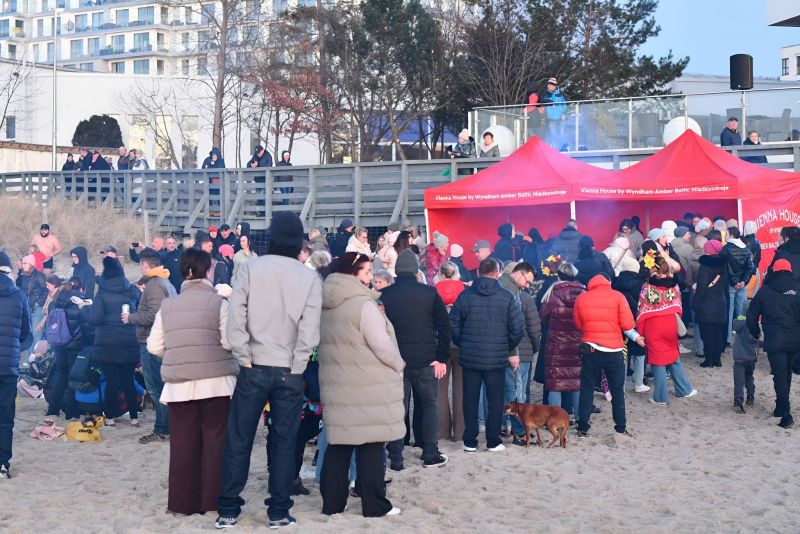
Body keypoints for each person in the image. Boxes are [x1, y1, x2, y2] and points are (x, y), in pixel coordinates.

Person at [216, 212, 322, 530]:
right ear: (299, 241)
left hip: (254, 365)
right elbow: (309, 330)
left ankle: (228, 509)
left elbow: (236, 316)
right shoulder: (309, 278)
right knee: (284, 442)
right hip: (289, 369)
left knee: (239, 439)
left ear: (271, 237)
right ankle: (278, 511)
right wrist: (298, 365)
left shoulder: (250, 269)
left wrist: (243, 355)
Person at [146, 248, 239, 515]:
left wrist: (178, 353)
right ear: (208, 270)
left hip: (179, 386)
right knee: (215, 444)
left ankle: (182, 504)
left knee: (183, 446)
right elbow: (230, 341)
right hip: (216, 383)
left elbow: (154, 346)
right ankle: (211, 502)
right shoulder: (219, 303)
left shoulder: (168, 306)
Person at [316, 252, 404, 517]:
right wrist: (399, 364)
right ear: (352, 274)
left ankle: (333, 504)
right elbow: (381, 345)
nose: (370, 277)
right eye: (366, 272)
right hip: (367, 384)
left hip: (337, 383)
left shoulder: (325, 303)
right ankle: (374, 505)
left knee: (339, 445)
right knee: (372, 446)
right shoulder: (363, 305)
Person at [382, 249, 450, 469]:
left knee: (397, 409)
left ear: (397, 271)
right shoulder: (429, 293)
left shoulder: (385, 295)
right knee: (430, 406)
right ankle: (430, 453)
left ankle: (396, 457)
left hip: (395, 362)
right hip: (425, 360)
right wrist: (441, 358)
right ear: (415, 270)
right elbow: (444, 326)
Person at [450, 258, 524, 453]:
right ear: (498, 273)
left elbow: (453, 325)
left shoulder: (465, 296)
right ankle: (493, 440)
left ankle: (470, 440)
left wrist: (464, 343)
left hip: (471, 357)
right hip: (495, 358)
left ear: (478, 273)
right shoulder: (507, 297)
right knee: (495, 400)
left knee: (470, 399)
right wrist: (506, 347)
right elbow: (518, 328)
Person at [573, 273, 642, 437]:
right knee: (617, 391)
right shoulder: (618, 297)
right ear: (608, 282)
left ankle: (582, 427)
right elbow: (627, 324)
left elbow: (578, 324)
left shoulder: (582, 298)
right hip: (613, 350)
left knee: (587, 389)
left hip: (590, 349)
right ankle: (620, 427)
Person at [123, 248, 176, 444]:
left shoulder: (154, 285)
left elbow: (154, 316)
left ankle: (162, 430)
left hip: (152, 341)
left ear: (145, 265)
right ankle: (168, 427)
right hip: (163, 339)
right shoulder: (166, 281)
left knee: (155, 388)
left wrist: (131, 318)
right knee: (162, 387)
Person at [83, 257, 140, 427]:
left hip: (107, 343)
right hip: (129, 341)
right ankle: (134, 418)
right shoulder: (130, 289)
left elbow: (95, 318)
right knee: (128, 381)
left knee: (111, 382)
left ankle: (110, 418)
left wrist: (86, 309)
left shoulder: (102, 292)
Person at [636, 256, 697, 405]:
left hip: (653, 327)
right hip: (671, 324)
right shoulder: (674, 287)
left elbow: (642, 313)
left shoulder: (647, 288)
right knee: (673, 356)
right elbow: (678, 308)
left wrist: (640, 334)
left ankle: (660, 397)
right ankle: (684, 389)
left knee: (658, 361)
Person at [747, 259, 800, 428]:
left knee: (780, 374)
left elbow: (751, 316)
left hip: (774, 339)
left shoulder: (765, 291)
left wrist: (756, 333)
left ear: (774, 271)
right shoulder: (797, 289)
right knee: (786, 372)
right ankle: (780, 407)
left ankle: (786, 413)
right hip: (795, 339)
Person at [498, 262, 541, 442]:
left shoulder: (501, 288)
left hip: (503, 351)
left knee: (505, 390)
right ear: (518, 274)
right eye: (527, 281)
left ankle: (503, 425)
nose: (527, 285)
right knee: (517, 393)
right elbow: (532, 328)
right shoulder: (517, 296)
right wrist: (534, 347)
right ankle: (519, 431)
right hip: (518, 352)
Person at [0, 251, 30, 479]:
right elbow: (25, 333)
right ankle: (2, 464)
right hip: (8, 365)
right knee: (5, 417)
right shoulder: (19, 295)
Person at [540, 262, 584, 413]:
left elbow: (544, 316)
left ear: (559, 275)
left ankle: (556, 418)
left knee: (555, 384)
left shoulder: (553, 292)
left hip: (557, 344)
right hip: (578, 343)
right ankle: (579, 417)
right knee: (576, 382)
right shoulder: (583, 292)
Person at [612, 256, 649, 392]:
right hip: (637, 322)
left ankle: (620, 387)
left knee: (622, 354)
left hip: (618, 322)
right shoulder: (642, 285)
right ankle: (638, 383)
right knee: (640, 353)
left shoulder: (614, 284)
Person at [694, 240, 729, 368]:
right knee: (718, 332)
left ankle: (708, 360)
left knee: (707, 333)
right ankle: (717, 359)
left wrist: (695, 303)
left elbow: (702, 288)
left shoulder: (705, 266)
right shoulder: (724, 265)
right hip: (720, 301)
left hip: (706, 303)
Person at [722, 227, 755, 344]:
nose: (725, 235)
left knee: (729, 312)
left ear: (730, 234)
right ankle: (744, 337)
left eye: (726, 233)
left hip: (731, 285)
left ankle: (727, 339)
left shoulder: (726, 248)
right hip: (742, 285)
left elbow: (727, 268)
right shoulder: (746, 248)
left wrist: (735, 282)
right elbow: (750, 268)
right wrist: (743, 282)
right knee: (742, 313)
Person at [732, 302, 756, 414]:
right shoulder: (753, 324)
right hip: (750, 356)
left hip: (738, 357)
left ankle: (738, 401)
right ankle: (750, 396)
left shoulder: (738, 323)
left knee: (738, 381)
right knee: (749, 376)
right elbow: (752, 339)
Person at [537, 77, 568, 149]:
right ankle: (556, 148)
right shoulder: (545, 93)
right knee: (553, 133)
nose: (553, 86)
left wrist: (564, 113)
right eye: (551, 85)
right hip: (551, 118)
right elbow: (541, 101)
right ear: (548, 85)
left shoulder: (560, 93)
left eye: (554, 85)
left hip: (561, 117)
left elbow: (566, 103)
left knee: (561, 133)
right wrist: (551, 102)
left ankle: (563, 147)